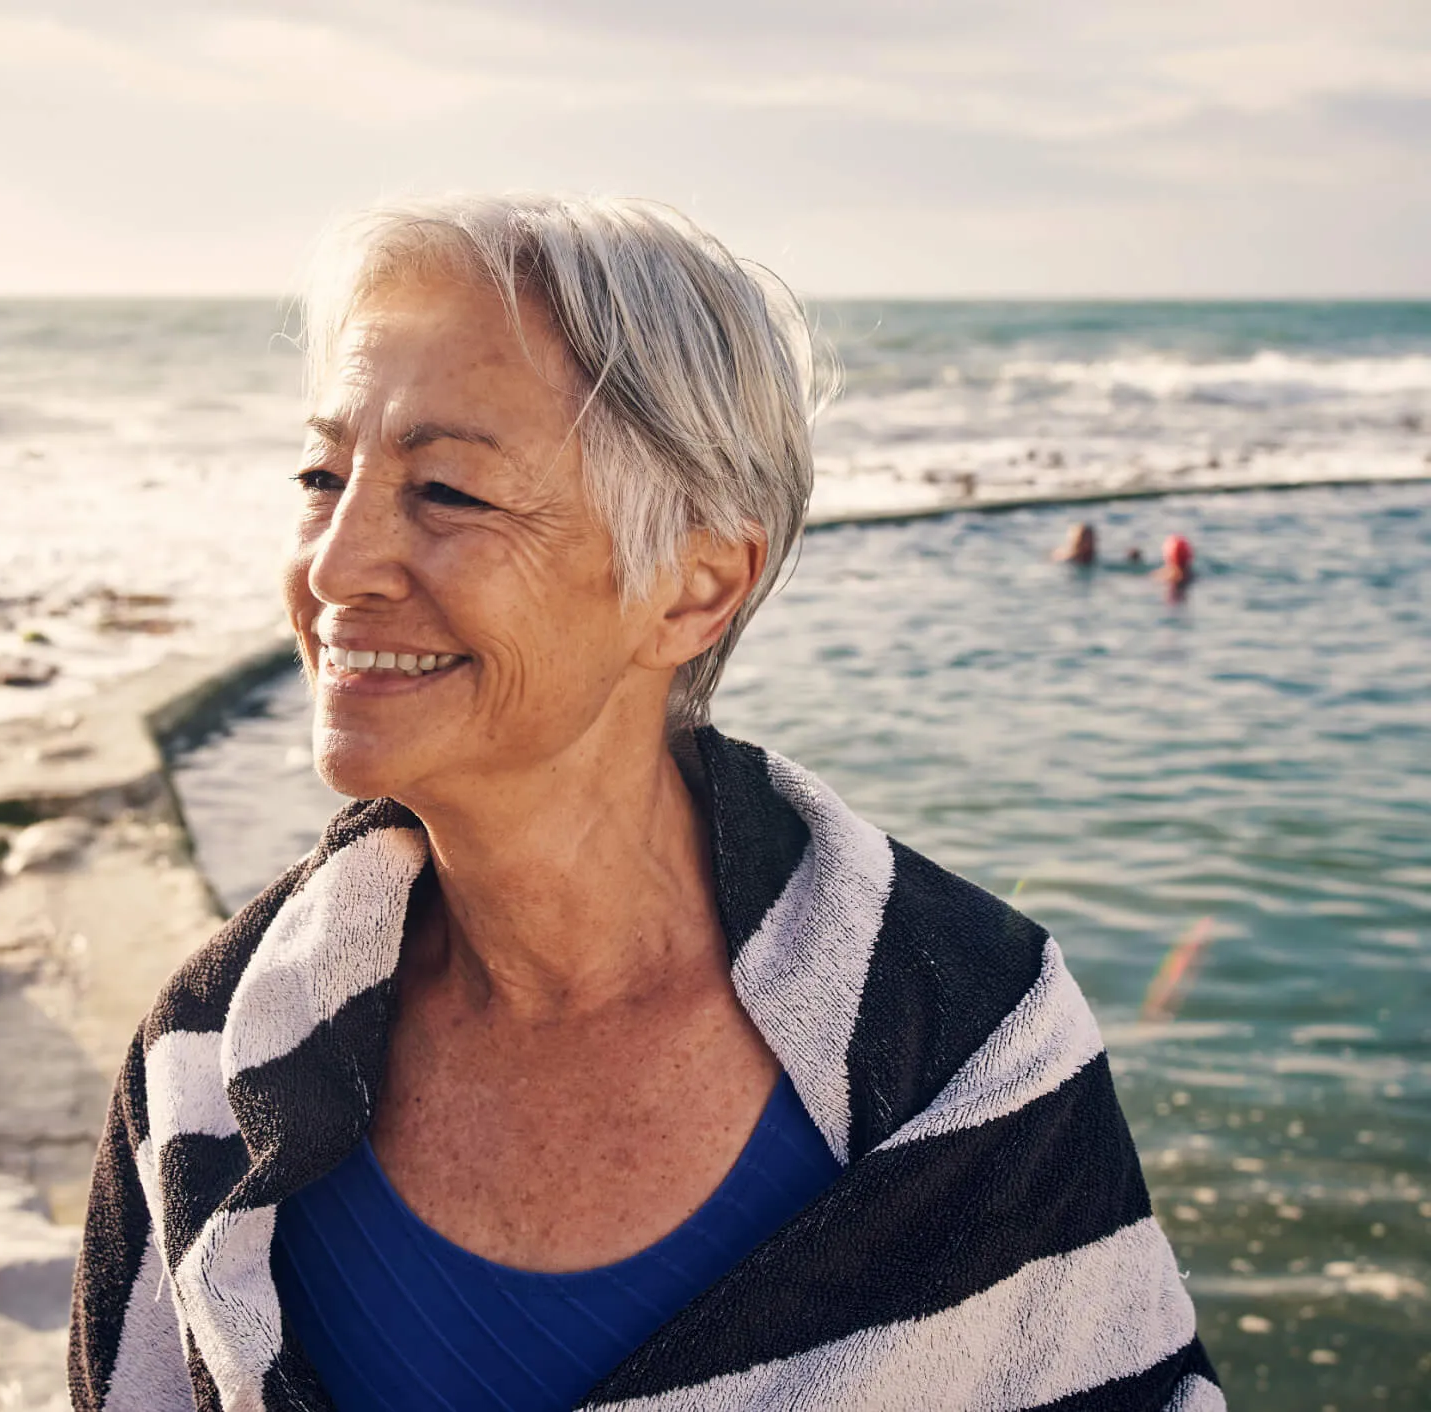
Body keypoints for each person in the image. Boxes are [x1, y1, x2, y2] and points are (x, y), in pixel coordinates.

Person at [67, 194, 1214, 1412]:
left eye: (447, 490)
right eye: (322, 473)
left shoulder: (966, 1036)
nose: (337, 567)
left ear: (695, 587)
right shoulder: (210, 1054)